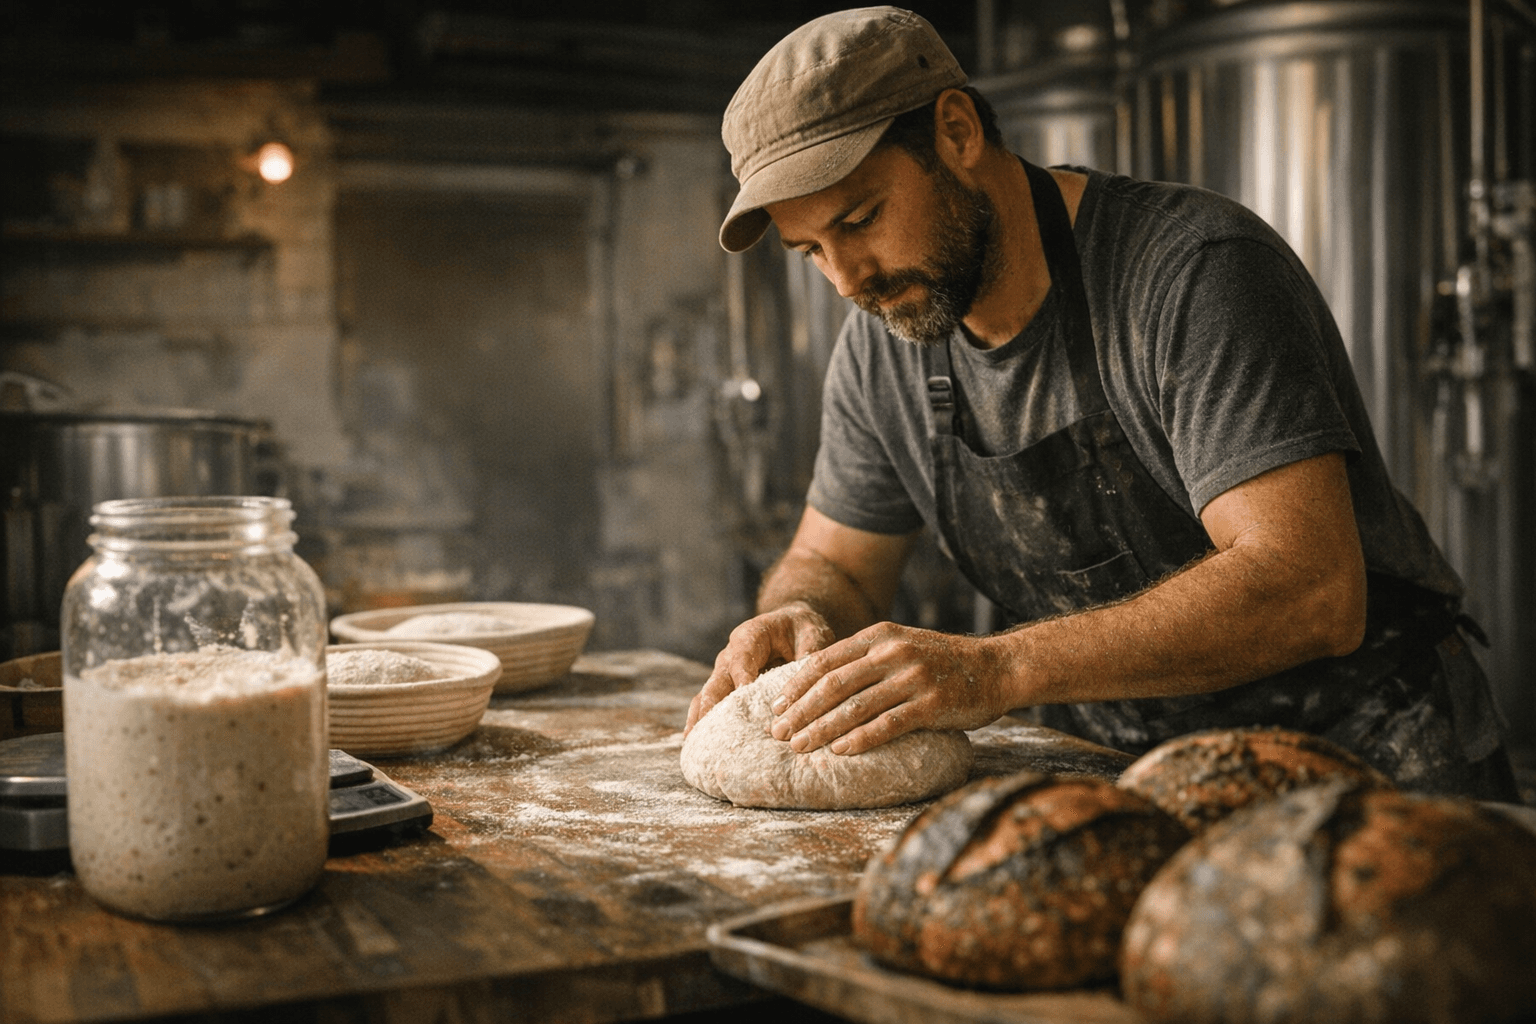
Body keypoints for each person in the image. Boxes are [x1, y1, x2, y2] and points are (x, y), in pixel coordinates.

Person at [685, 7, 1520, 800]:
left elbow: (1307, 588)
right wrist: (801, 613)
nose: (850, 281)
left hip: (1365, 774)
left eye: (861, 219)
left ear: (957, 132)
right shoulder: (885, 341)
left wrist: (995, 670)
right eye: (809, 253)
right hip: (1126, 781)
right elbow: (834, 562)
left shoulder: (1193, 272)